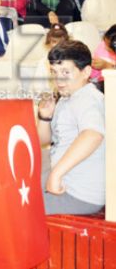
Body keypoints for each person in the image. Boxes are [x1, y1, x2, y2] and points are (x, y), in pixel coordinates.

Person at [37, 40, 105, 215]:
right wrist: (45, 117)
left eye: (66, 72)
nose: (58, 79)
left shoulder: (88, 98)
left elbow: (92, 135)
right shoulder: (69, 97)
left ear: (86, 72)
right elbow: (44, 140)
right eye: (54, 72)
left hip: (77, 193)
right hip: (65, 183)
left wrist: (56, 174)